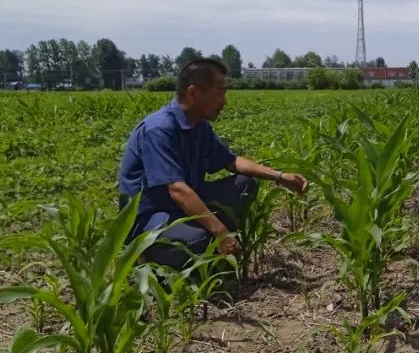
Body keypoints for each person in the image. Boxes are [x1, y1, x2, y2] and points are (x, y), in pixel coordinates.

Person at [118, 57, 308, 270]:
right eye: (220, 92)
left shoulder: (199, 125)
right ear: (194, 93)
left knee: (244, 184)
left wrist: (280, 177)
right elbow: (177, 190)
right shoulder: (159, 130)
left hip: (183, 208)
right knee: (199, 242)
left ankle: (216, 247)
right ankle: (147, 256)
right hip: (154, 217)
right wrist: (220, 232)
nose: (224, 101)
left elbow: (232, 161)